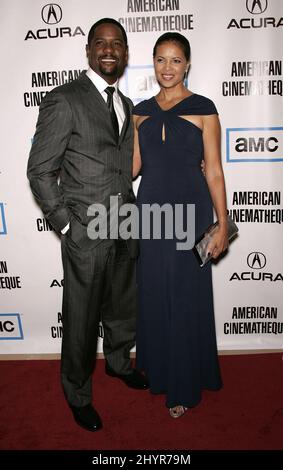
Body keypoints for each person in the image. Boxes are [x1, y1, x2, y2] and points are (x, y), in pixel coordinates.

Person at [27, 18, 148, 433]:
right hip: (86, 230)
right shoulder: (65, 99)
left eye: (117, 43)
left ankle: (118, 362)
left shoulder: (126, 104)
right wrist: (68, 226)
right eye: (101, 43)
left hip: (125, 222)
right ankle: (77, 393)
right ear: (89, 51)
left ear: (126, 52)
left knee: (121, 306)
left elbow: (124, 166)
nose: (109, 50)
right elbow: (40, 171)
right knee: (80, 318)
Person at [132, 32, 228, 418]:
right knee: (154, 293)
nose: (167, 68)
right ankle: (158, 371)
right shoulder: (139, 111)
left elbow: (216, 171)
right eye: (160, 60)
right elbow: (134, 167)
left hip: (192, 212)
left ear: (187, 63)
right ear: (152, 64)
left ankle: (185, 385)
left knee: (187, 297)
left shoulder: (205, 108)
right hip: (150, 215)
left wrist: (223, 223)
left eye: (175, 60)